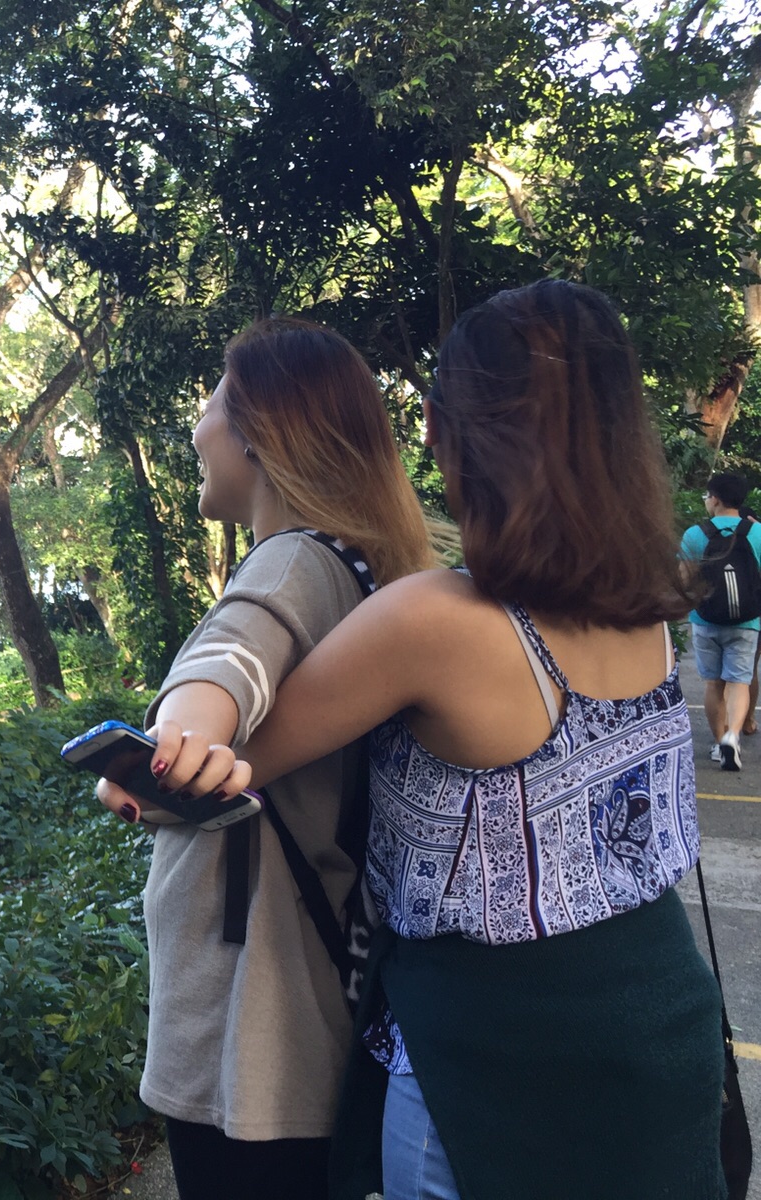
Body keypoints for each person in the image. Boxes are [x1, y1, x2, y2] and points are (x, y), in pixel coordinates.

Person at [157, 281, 724, 1199]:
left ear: (448, 431)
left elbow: (224, 755)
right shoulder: (648, 613)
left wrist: (174, 740)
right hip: (660, 1028)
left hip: (495, 1066)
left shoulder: (434, 621)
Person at [94, 318, 435, 1200]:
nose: (196, 425)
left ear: (258, 431)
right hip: (314, 1008)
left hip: (250, 1040)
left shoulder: (292, 563)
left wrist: (185, 732)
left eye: (211, 400)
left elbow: (231, 658)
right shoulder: (366, 572)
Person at [682, 472, 761, 769]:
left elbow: (684, 580)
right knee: (739, 682)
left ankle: (719, 742)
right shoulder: (757, 533)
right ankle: (733, 737)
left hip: (706, 619)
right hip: (747, 622)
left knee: (713, 683)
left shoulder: (695, 534)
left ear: (714, 499)